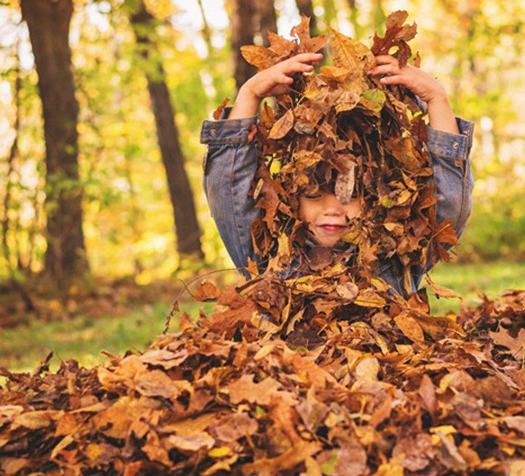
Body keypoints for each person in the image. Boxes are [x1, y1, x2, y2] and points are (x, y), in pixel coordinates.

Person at [201, 51, 474, 297]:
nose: (332, 208)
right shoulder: (266, 257)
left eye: (350, 195)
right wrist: (249, 95)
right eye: (313, 195)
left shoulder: (394, 257)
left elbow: (447, 204)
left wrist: (437, 99)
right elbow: (228, 190)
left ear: (375, 197)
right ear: (291, 200)